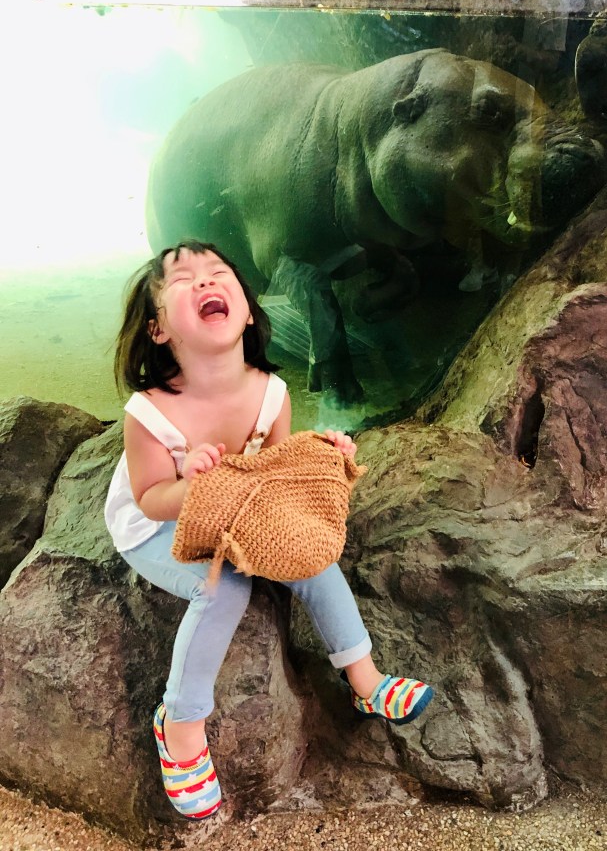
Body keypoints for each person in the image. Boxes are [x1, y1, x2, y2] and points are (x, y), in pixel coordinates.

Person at [104, 240, 433, 821]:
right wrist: (193, 482)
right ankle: (179, 726)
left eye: (218, 272)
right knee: (222, 589)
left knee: (312, 556)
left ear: (249, 312)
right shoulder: (149, 411)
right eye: (183, 278)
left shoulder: (272, 394)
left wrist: (323, 454)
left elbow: (275, 477)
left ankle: (366, 680)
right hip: (157, 526)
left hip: (238, 510)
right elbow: (151, 500)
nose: (205, 281)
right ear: (158, 329)